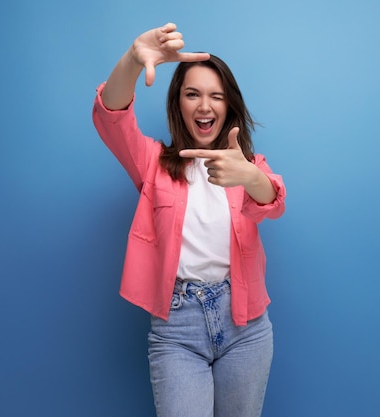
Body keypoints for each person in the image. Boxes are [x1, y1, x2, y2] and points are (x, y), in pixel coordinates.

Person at [92, 22, 286, 417]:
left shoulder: (246, 166)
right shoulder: (152, 164)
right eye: (192, 94)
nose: (204, 106)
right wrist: (132, 59)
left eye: (216, 96)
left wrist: (249, 176)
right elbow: (110, 116)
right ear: (178, 102)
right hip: (177, 328)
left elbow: (273, 200)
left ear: (228, 105)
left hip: (245, 325)